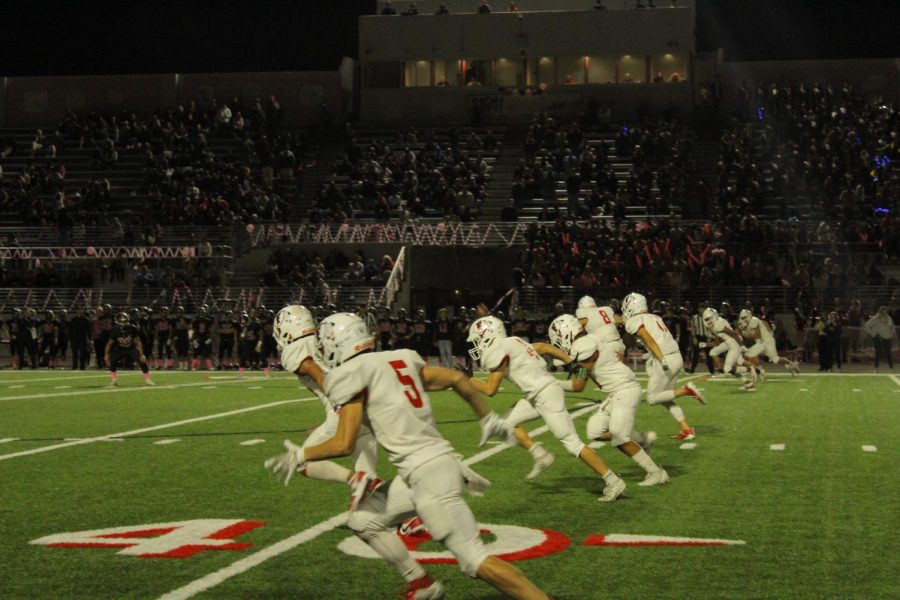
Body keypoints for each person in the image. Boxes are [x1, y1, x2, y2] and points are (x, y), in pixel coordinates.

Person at [265, 313, 547, 600]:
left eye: (324, 344)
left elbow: (343, 444)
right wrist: (488, 419)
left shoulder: (350, 375)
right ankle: (421, 584)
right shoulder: (398, 358)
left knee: (475, 561)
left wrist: (301, 454)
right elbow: (455, 377)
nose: (322, 351)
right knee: (362, 520)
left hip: (428, 477)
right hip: (425, 470)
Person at [466, 316, 627, 501]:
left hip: (545, 395)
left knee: (572, 444)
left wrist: (465, 379)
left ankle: (613, 480)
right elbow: (546, 347)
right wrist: (574, 365)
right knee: (504, 424)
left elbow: (490, 389)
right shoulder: (514, 341)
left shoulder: (500, 349)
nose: (478, 343)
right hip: (538, 395)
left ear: (488, 335)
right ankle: (540, 454)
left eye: (479, 338)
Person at [271, 305, 381, 503]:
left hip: (345, 409)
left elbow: (316, 371)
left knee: (301, 461)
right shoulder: (322, 338)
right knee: (371, 483)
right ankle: (408, 519)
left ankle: (353, 479)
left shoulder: (294, 350)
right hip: (368, 409)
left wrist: (340, 405)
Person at [544, 314, 668, 485]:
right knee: (595, 431)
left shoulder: (585, 346)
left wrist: (552, 382)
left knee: (619, 438)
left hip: (624, 390)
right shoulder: (589, 340)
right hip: (617, 392)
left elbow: (578, 385)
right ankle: (640, 440)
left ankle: (656, 472)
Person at [622, 292, 705, 440]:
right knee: (665, 398)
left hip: (664, 358)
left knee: (652, 398)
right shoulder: (655, 317)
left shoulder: (634, 321)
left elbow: (649, 340)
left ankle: (686, 390)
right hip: (675, 356)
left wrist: (661, 358)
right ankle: (686, 430)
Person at [702, 307, 758, 388]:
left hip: (734, 343)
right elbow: (720, 340)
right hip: (728, 342)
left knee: (728, 368)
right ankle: (746, 382)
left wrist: (741, 346)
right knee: (716, 354)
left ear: (714, 316)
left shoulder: (718, 325)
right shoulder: (715, 324)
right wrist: (708, 344)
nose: (708, 321)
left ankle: (750, 369)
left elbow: (734, 334)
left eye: (709, 318)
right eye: (706, 319)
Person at [737, 309, 800, 374]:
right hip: (762, 342)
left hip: (766, 341)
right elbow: (752, 334)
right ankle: (792, 364)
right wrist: (745, 334)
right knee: (775, 359)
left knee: (749, 354)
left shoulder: (754, 320)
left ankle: (759, 370)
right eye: (742, 318)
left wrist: (746, 334)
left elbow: (757, 335)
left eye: (744, 317)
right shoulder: (746, 323)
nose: (743, 319)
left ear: (749, 316)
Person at [104, 312, 154, 387]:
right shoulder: (115, 329)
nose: (123, 323)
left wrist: (141, 354)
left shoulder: (132, 328)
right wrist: (106, 355)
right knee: (112, 361)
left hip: (131, 347)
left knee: (142, 361)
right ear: (117, 322)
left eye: (124, 321)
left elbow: (138, 342)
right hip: (120, 348)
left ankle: (148, 379)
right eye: (121, 322)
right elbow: (109, 343)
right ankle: (114, 380)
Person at [864, 306, 895, 371]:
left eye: (886, 311)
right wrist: (873, 333)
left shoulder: (889, 318)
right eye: (884, 311)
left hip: (887, 337)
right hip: (878, 337)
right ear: (880, 311)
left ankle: (891, 368)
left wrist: (892, 333)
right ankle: (876, 368)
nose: (885, 312)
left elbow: (892, 327)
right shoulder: (875, 318)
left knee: (888, 352)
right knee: (878, 352)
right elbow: (866, 326)